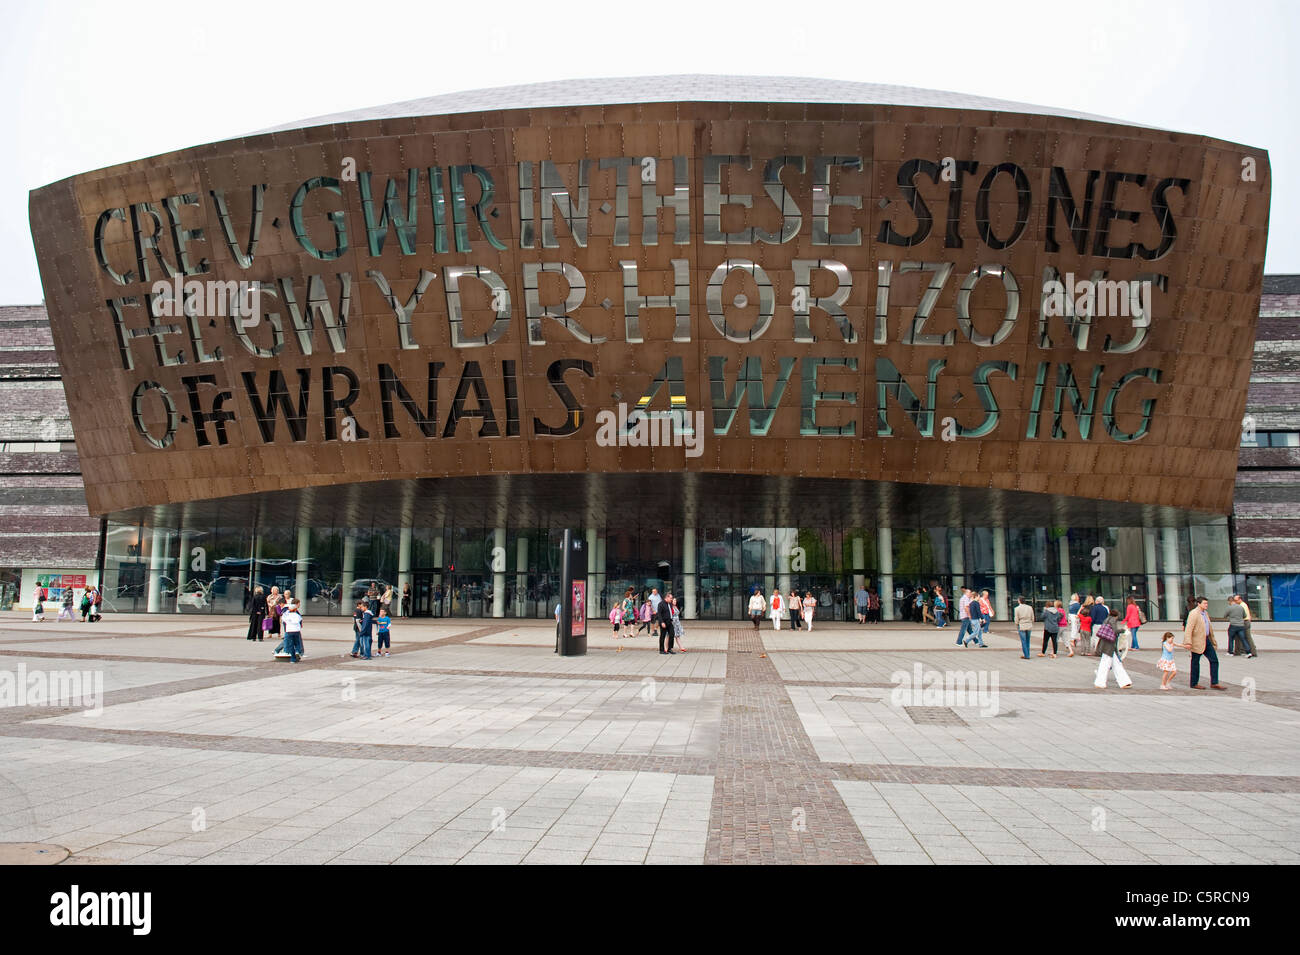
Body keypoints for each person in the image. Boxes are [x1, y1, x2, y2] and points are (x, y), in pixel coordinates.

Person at [1182, 595, 1224, 690]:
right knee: (1195, 662)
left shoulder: (1205, 613)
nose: (1206, 605)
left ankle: (1214, 682)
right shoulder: (1194, 613)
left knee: (1214, 660)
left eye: (1207, 603)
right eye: (1204, 603)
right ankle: (1194, 683)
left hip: (1206, 640)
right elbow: (1189, 628)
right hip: (1197, 641)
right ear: (1198, 603)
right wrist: (1188, 642)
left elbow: (1209, 627)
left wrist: (1212, 640)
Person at [1093, 609, 1133, 689]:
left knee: (1112, 663)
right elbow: (1115, 630)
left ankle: (1124, 681)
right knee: (1107, 663)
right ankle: (1101, 682)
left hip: (1105, 643)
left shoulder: (1106, 619)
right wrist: (1123, 630)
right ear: (1117, 615)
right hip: (1110, 644)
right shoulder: (1113, 620)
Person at [1013, 596, 1034, 660]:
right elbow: (1032, 617)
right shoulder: (1030, 608)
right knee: (1028, 640)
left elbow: (1016, 618)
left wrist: (1017, 624)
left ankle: (1026, 655)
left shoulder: (1017, 609)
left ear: (1019, 601)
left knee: (1023, 641)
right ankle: (1028, 654)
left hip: (1021, 625)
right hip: (1029, 624)